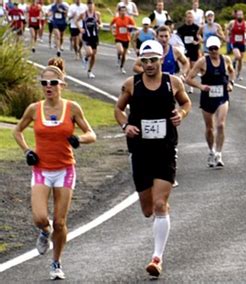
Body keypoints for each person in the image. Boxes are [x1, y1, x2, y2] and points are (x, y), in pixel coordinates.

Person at [114, 40, 191, 277]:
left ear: (161, 58)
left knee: (159, 205)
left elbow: (186, 103)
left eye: (153, 60)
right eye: (145, 60)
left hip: (166, 149)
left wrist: (181, 114)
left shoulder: (173, 82)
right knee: (148, 209)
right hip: (140, 150)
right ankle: (161, 209)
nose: (149, 65)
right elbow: (117, 109)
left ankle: (157, 258)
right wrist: (126, 125)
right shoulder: (132, 84)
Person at [12, 64, 96, 280]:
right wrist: (27, 151)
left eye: (53, 83)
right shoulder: (34, 108)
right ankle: (44, 231)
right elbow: (17, 130)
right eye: (44, 83)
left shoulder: (73, 108)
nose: (48, 87)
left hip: (65, 170)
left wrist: (80, 139)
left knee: (60, 221)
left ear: (62, 85)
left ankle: (56, 262)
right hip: (42, 169)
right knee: (40, 218)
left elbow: (91, 134)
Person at [186, 36, 234, 167]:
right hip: (207, 97)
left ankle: (219, 154)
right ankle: (211, 151)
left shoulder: (226, 60)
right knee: (209, 128)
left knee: (221, 125)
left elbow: (231, 71)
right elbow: (189, 78)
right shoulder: (202, 62)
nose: (213, 51)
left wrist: (230, 83)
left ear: (219, 48)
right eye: (210, 49)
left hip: (222, 96)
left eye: (215, 48)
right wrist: (201, 87)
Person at [177, 10, 201, 93]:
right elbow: (177, 39)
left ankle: (190, 83)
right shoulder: (181, 29)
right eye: (188, 17)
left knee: (193, 67)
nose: (189, 19)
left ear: (193, 18)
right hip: (185, 50)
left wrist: (197, 42)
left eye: (191, 17)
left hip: (194, 49)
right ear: (185, 18)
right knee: (186, 65)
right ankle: (185, 83)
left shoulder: (197, 28)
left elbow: (200, 39)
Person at [77, 0, 101, 79]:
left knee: (93, 55)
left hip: (94, 37)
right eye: (89, 4)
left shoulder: (97, 14)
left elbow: (100, 23)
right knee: (90, 52)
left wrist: (100, 25)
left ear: (94, 5)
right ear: (87, 5)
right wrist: (80, 28)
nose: (90, 5)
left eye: (92, 4)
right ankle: (85, 58)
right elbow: (76, 20)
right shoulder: (83, 14)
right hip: (86, 36)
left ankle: (90, 71)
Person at [110, 4, 136, 74]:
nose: (123, 12)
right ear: (119, 12)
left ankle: (122, 67)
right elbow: (111, 24)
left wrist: (130, 27)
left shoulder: (129, 19)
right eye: (121, 11)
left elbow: (134, 26)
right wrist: (112, 31)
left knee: (124, 55)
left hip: (126, 39)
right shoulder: (116, 19)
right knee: (120, 51)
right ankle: (118, 56)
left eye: (124, 11)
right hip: (118, 37)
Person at [227, 9, 246, 80]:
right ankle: (234, 61)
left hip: (242, 43)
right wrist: (228, 35)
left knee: (241, 59)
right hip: (234, 42)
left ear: (243, 15)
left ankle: (238, 74)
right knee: (238, 56)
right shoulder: (232, 22)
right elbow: (227, 29)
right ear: (236, 16)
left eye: (241, 15)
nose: (240, 16)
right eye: (238, 15)